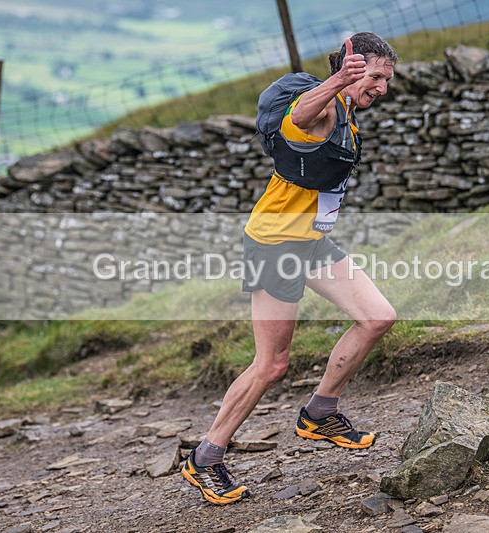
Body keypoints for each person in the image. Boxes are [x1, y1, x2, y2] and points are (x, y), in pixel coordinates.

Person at [182, 32, 399, 505]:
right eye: (377, 77)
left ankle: (320, 412)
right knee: (272, 364)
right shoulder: (324, 108)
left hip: (312, 242)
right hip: (275, 243)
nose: (382, 87)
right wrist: (339, 80)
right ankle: (205, 458)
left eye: (386, 79)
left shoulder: (347, 116)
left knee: (378, 317)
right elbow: (295, 118)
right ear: (353, 68)